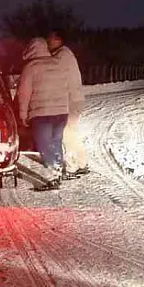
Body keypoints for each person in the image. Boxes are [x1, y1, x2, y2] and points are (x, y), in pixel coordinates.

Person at [18, 37, 70, 191]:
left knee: (44, 145)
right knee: (56, 141)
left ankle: (53, 176)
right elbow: (66, 87)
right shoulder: (58, 64)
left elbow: (24, 93)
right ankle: (60, 169)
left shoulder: (31, 67)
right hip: (61, 111)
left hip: (42, 113)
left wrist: (23, 114)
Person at [46, 29, 89, 178]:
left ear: (59, 40)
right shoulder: (65, 54)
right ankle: (82, 163)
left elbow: (49, 72)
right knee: (73, 133)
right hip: (74, 99)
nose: (48, 43)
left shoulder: (61, 56)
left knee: (67, 134)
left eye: (50, 39)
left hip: (69, 101)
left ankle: (72, 167)